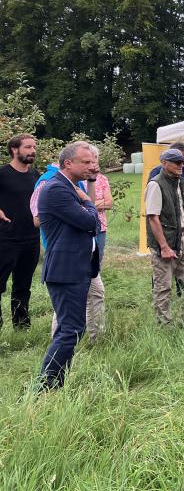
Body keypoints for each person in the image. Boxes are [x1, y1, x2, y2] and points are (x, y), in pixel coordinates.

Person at [37, 141, 100, 390]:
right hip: (66, 270)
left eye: (92, 161)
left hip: (76, 267)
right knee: (71, 329)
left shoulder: (70, 187)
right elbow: (89, 222)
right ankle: (45, 386)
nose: (91, 166)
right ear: (67, 163)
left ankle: (54, 383)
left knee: (71, 328)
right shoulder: (56, 189)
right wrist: (89, 202)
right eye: (85, 162)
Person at [146, 148, 184, 324]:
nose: (181, 165)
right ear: (164, 163)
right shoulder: (156, 184)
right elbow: (153, 218)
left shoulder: (181, 182)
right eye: (177, 162)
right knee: (164, 286)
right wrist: (164, 246)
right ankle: (165, 325)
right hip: (166, 239)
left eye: (183, 162)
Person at [0, 134, 40, 329]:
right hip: (6, 238)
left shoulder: (35, 175)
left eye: (34, 147)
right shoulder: (2, 174)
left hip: (31, 239)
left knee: (23, 286)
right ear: (14, 150)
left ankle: (22, 325)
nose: (32, 150)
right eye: (27, 147)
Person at [148, 141, 184, 207]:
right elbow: (151, 200)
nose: (182, 159)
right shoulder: (156, 172)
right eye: (178, 157)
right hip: (167, 215)